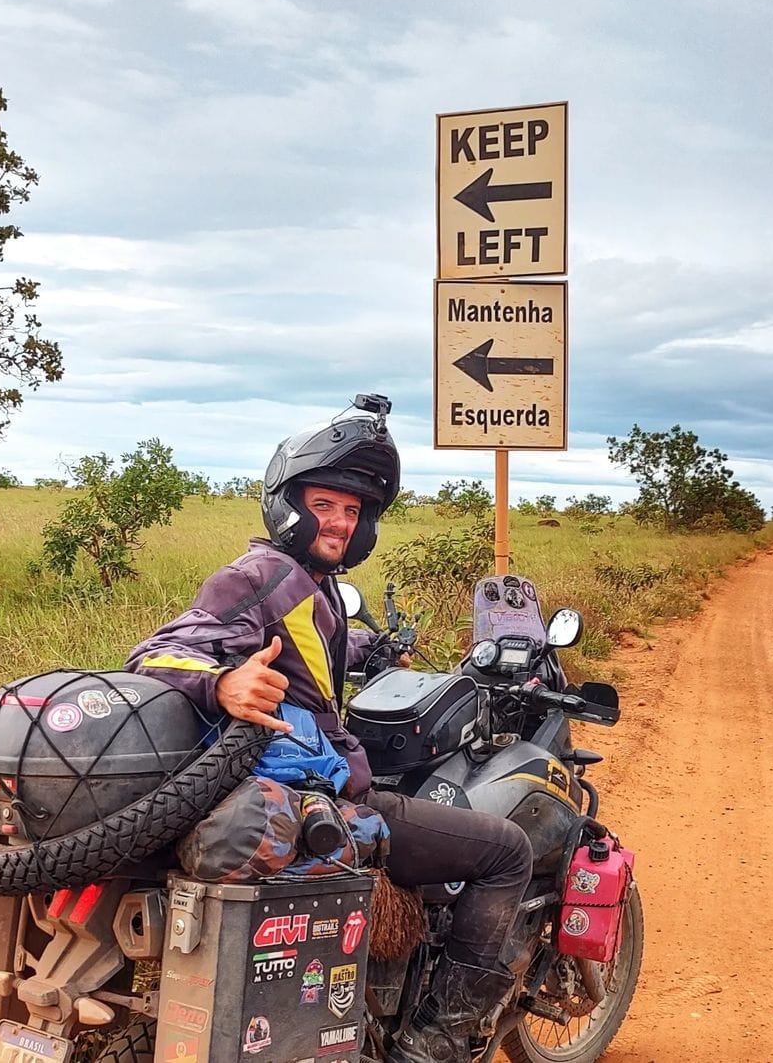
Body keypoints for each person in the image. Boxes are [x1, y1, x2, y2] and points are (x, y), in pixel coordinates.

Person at [125, 396, 532, 1063]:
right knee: (505, 852)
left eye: (352, 510)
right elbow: (159, 653)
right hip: (332, 798)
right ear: (287, 502)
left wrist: (367, 649)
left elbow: (305, 657)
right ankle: (438, 1042)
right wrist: (222, 682)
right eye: (324, 505)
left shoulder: (306, 585)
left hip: (315, 783)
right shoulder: (258, 575)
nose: (340, 522)